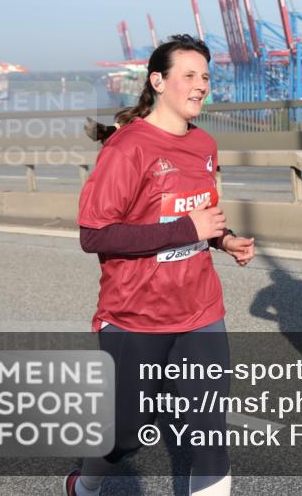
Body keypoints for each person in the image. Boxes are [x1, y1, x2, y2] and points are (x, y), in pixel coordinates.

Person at [64, 34, 255, 496]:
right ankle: (85, 483)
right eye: (188, 75)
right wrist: (186, 230)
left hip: (200, 311)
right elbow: (95, 235)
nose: (200, 85)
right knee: (126, 431)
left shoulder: (205, 144)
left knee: (210, 434)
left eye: (205, 76)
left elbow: (197, 219)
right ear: (158, 81)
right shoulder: (126, 149)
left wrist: (223, 239)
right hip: (135, 316)